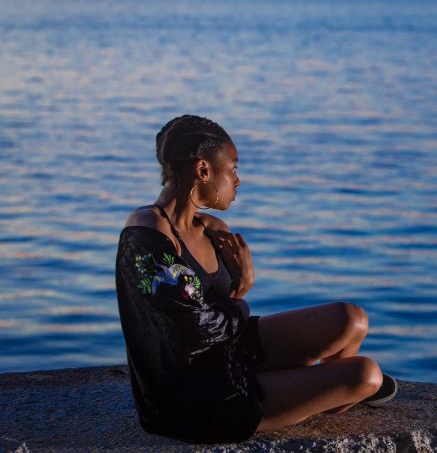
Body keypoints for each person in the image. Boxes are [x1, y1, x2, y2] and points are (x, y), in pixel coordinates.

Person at [114, 114, 397, 444]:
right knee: (367, 374)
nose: (237, 180)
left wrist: (237, 288)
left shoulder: (212, 229)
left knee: (352, 319)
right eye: (232, 168)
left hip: (228, 352)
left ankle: (321, 390)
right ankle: (328, 389)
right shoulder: (145, 234)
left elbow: (212, 308)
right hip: (196, 396)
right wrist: (241, 300)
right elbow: (188, 331)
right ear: (203, 170)